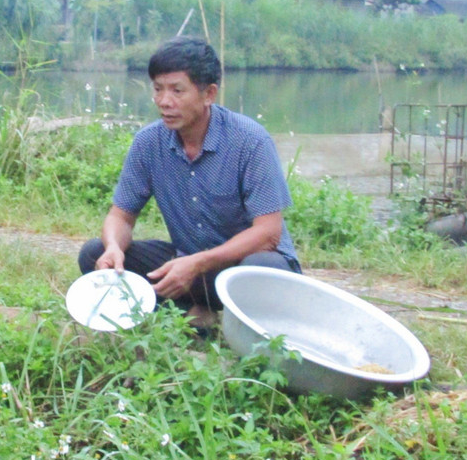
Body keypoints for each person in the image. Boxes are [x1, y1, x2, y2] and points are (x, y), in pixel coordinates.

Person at [77, 36, 300, 329]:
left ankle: (237, 323)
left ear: (209, 94)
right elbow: (121, 216)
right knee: (94, 254)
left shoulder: (250, 141)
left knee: (261, 268)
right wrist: (114, 247)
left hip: (245, 266)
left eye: (177, 90)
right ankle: (191, 315)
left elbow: (268, 234)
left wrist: (198, 263)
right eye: (158, 89)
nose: (164, 101)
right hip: (190, 268)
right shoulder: (148, 143)